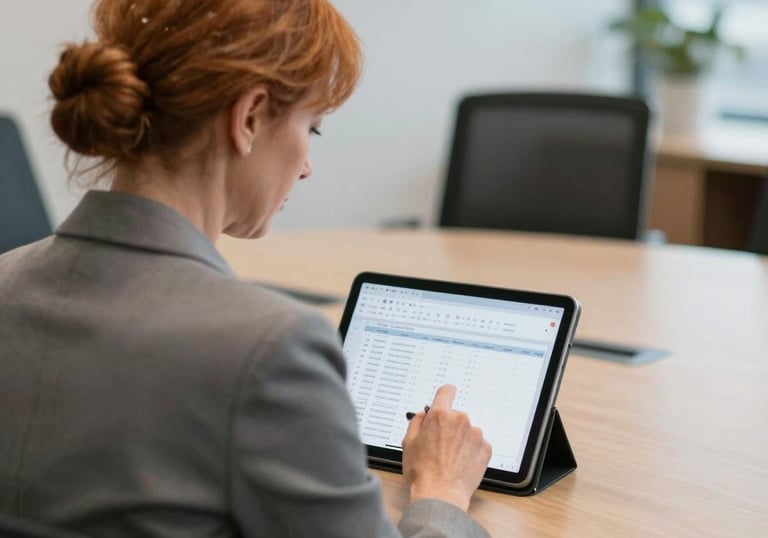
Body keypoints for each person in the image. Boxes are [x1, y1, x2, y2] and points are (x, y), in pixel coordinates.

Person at [0, 0, 493, 536]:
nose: (306, 166)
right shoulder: (268, 349)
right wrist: (441, 491)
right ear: (250, 117)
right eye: (314, 127)